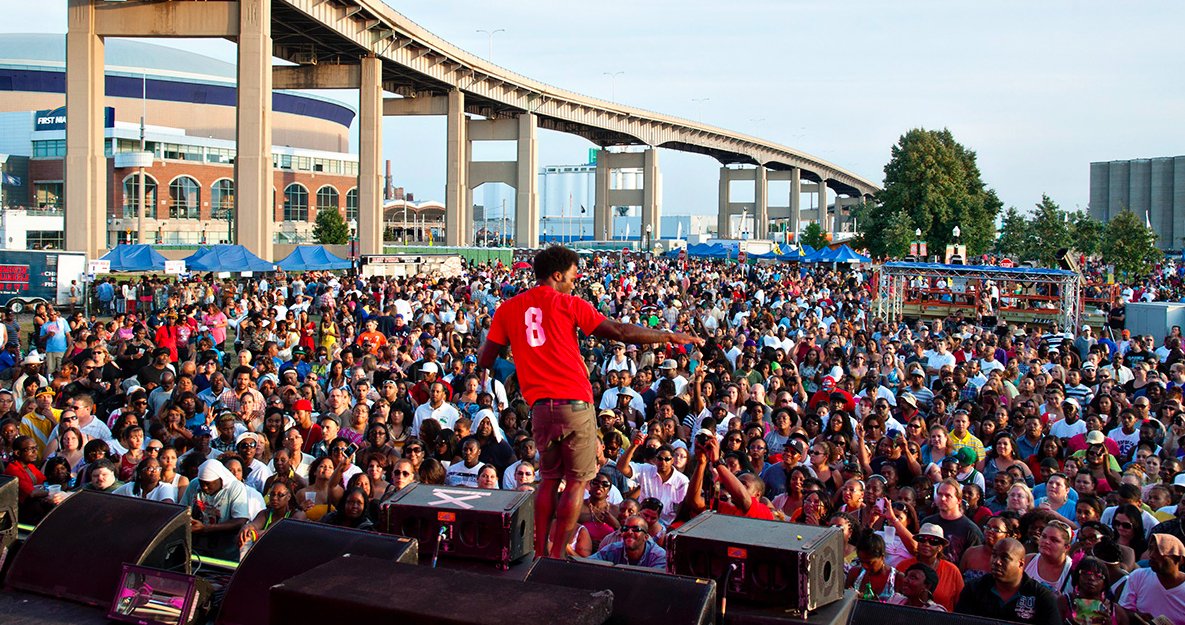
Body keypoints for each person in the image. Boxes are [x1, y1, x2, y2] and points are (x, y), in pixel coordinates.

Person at [477, 245, 702, 559]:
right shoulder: (569, 303)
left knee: (549, 479)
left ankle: (539, 551)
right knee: (575, 481)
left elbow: (486, 357)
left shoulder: (508, 308)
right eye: (571, 276)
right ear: (557, 275)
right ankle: (555, 556)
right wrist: (668, 336)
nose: (574, 282)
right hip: (574, 403)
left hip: (540, 407)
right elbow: (620, 331)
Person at [955, 538, 1061, 625]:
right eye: (994, 555)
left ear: (1020, 564)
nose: (997, 562)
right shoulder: (973, 589)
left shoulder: (1042, 597)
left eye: (1005, 558)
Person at [1119, 533, 1185, 625]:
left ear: (1180, 559)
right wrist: (1137, 616)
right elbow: (1123, 610)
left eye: (1160, 551)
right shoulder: (1138, 576)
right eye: (1151, 549)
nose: (1152, 555)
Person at [898, 523, 964, 611]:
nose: (926, 544)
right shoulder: (903, 565)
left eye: (933, 541)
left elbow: (961, 604)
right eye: (922, 539)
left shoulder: (952, 571)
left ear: (940, 547)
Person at [587, 514, 667, 569]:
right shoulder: (611, 550)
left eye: (636, 529)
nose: (629, 532)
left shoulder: (658, 556)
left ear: (646, 537)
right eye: (625, 529)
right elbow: (587, 564)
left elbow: (655, 583)